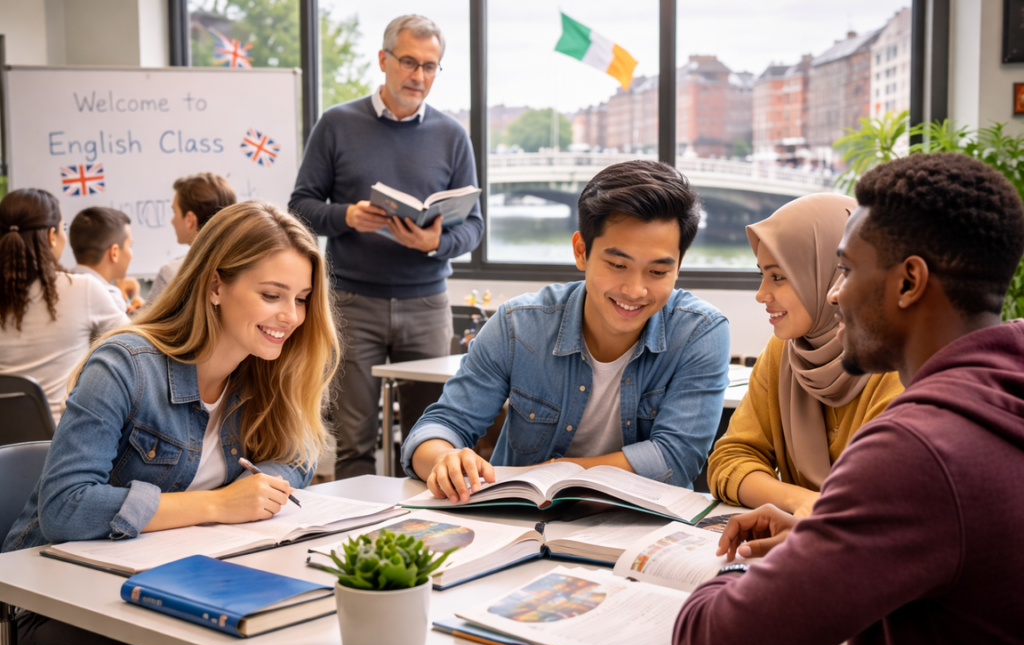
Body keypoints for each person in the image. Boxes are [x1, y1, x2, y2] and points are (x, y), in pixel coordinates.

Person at [673, 153, 1024, 645]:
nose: (834, 294)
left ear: (908, 282)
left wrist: (746, 564)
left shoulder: (917, 449)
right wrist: (820, 544)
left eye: (846, 269)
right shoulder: (1000, 392)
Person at [3, 199, 340, 645]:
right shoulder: (124, 366)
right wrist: (218, 504)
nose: (291, 316)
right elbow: (65, 508)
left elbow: (297, 457)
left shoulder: (265, 370)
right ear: (215, 285)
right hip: (58, 606)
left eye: (302, 298)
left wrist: (264, 487)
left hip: (181, 587)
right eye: (272, 295)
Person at [403, 160, 731, 502]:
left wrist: (553, 475)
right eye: (618, 265)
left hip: (641, 528)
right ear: (581, 251)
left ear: (678, 267)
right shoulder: (519, 325)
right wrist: (444, 459)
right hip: (519, 524)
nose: (635, 290)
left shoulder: (700, 333)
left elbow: (675, 458)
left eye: (658, 272)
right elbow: (441, 426)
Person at [289, 14, 484, 479]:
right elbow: (300, 208)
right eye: (410, 62)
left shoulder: (452, 135)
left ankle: (422, 537)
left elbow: (473, 227)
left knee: (431, 436)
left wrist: (437, 241)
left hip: (427, 303)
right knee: (355, 439)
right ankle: (353, 537)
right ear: (383, 60)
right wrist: (347, 217)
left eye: (431, 66)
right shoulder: (337, 123)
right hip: (352, 303)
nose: (419, 76)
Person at [706, 194, 903, 517]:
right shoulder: (785, 351)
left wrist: (814, 510)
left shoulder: (897, 364)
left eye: (779, 277)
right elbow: (730, 458)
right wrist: (798, 501)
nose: (761, 295)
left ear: (837, 273)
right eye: (762, 274)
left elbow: (885, 500)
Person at [0, 189, 128, 424]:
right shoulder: (83, 289)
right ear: (51, 236)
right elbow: (136, 344)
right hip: (62, 442)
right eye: (62, 228)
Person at [149, 172, 237, 304]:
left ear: (190, 219)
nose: (172, 220)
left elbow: (148, 323)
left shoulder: (171, 273)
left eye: (175, 212)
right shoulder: (246, 265)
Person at [68, 206, 135, 312]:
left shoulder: (60, 288)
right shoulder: (111, 299)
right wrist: (129, 300)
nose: (131, 254)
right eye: (130, 246)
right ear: (114, 253)